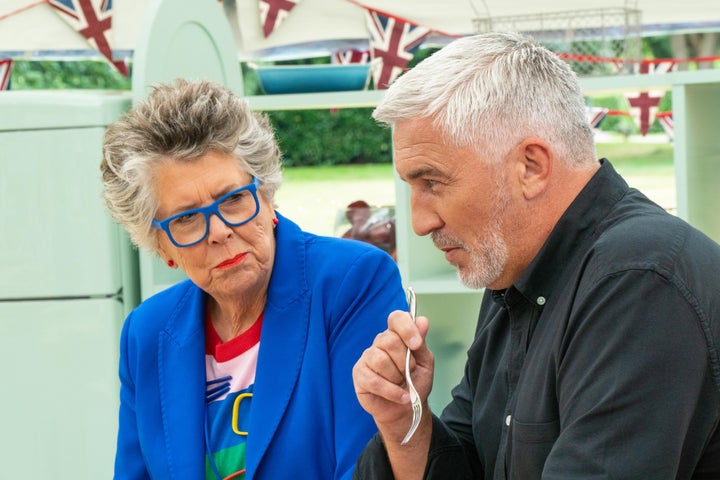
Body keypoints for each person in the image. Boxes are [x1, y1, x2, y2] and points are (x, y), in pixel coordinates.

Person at [352, 32, 720, 479]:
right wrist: (402, 421)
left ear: (531, 166)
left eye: (433, 182)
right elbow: (471, 464)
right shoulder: (515, 266)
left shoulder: (638, 279)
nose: (419, 222)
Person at [100, 79, 408, 479]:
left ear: (267, 196)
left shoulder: (351, 281)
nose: (220, 230)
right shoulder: (147, 332)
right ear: (163, 247)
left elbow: (367, 468)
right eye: (187, 218)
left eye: (233, 199)